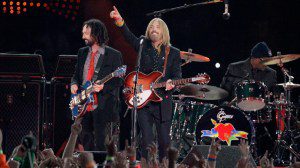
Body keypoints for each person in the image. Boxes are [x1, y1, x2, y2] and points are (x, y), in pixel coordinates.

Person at [110, 6, 182, 161]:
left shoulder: (174, 52)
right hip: (143, 101)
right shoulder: (143, 45)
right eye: (151, 27)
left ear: (163, 31)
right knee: (146, 141)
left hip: (163, 102)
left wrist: (172, 83)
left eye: (157, 27)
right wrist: (120, 21)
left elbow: (177, 75)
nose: (153, 29)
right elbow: (128, 37)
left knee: (164, 142)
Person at [71, 19, 123, 150]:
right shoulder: (82, 52)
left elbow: (119, 81)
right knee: (85, 142)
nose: (83, 36)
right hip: (83, 104)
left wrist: (104, 87)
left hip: (102, 105)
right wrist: (74, 84)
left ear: (96, 34)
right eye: (83, 33)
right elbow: (76, 75)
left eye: (86, 33)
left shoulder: (114, 55)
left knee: (102, 145)